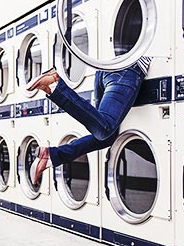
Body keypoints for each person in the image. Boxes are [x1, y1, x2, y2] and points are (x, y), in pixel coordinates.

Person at [26, 57, 152, 185]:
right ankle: (55, 85)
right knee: (104, 129)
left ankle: (51, 156)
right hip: (128, 71)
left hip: (106, 71)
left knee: (106, 136)